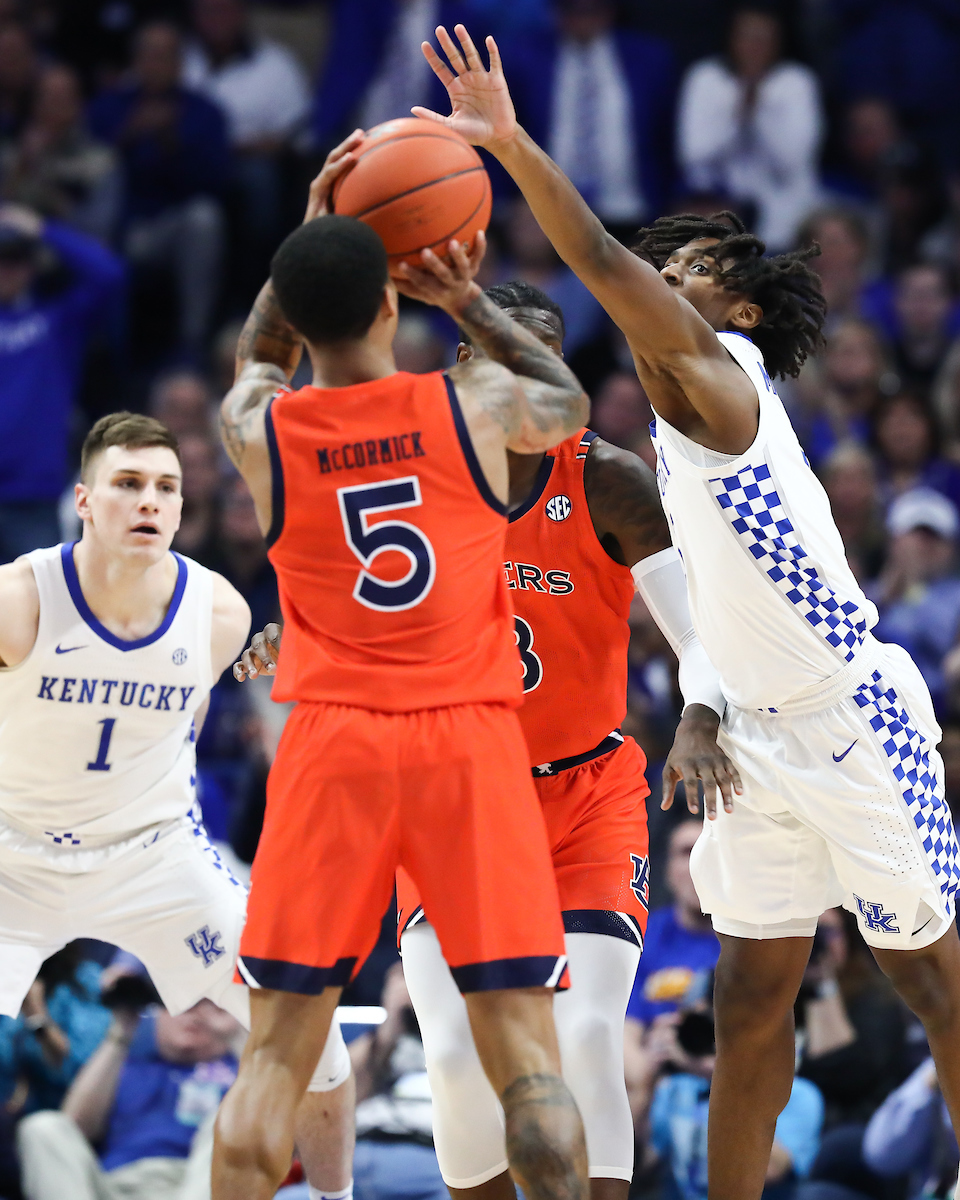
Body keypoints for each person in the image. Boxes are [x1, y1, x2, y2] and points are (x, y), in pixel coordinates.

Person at [414, 24, 960, 1200]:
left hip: (848, 711)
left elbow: (601, 264)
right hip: (756, 733)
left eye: (691, 270)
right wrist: (708, 714)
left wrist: (507, 144)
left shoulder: (723, 387)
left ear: (742, 313)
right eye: (665, 271)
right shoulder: (656, 431)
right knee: (749, 994)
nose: (664, 279)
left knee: (932, 983)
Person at [235, 278, 735, 1200]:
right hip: (454, 793)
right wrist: (292, 637)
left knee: (583, 1036)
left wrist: (699, 717)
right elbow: (372, 605)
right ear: (464, 372)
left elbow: (698, 634)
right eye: (500, 358)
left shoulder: (609, 479)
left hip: (586, 793)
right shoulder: (413, 478)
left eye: (538, 360)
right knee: (457, 1053)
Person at [211, 131, 593, 1200]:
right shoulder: (471, 405)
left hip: (332, 740)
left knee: (276, 1056)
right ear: (394, 306)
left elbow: (255, 357)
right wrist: (465, 297)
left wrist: (312, 230)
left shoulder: (261, 429)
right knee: (525, 1050)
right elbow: (564, 398)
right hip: (468, 738)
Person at [0, 410, 354, 1199]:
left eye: (166, 487)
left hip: (152, 859)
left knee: (312, 1032)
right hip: (14, 856)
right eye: (128, 485)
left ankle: (338, 1197)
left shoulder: (218, 612)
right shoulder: (19, 597)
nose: (149, 502)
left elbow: (189, 722)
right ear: (85, 500)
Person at [88, 21, 231, 353]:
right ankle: (105, 352)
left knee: (205, 218)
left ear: (180, 63)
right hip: (118, 227)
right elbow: (90, 170)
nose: (155, 64)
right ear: (135, 61)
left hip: (171, 227)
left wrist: (171, 144)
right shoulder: (108, 109)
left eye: (164, 56)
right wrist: (129, 134)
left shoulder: (205, 113)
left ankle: (192, 341)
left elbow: (217, 182)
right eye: (148, 55)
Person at [17, 998, 242, 1200]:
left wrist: (237, 1029)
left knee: (228, 1120)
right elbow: (74, 1125)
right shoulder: (125, 1061)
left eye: (209, 1006)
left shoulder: (242, 1074)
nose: (193, 1016)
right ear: (157, 1012)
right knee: (43, 1127)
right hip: (112, 1187)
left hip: (189, 1185)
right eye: (183, 1005)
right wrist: (121, 1034)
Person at [0, 202, 124, 565]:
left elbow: (109, 275)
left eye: (17, 258)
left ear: (32, 265)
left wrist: (42, 229)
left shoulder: (56, 323)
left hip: (33, 497)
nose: (7, 269)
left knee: (40, 614)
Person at [677, 4, 823, 251]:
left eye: (764, 39)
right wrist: (738, 115)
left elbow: (792, 161)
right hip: (720, 222)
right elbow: (694, 154)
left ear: (779, 42)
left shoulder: (796, 82)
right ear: (731, 38)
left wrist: (758, 113)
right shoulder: (707, 77)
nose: (755, 47)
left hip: (783, 225)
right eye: (747, 37)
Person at [625, 820, 720, 1032]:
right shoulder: (640, 939)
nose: (697, 865)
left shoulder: (752, 941)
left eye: (709, 852)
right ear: (667, 871)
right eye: (687, 853)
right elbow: (627, 1039)